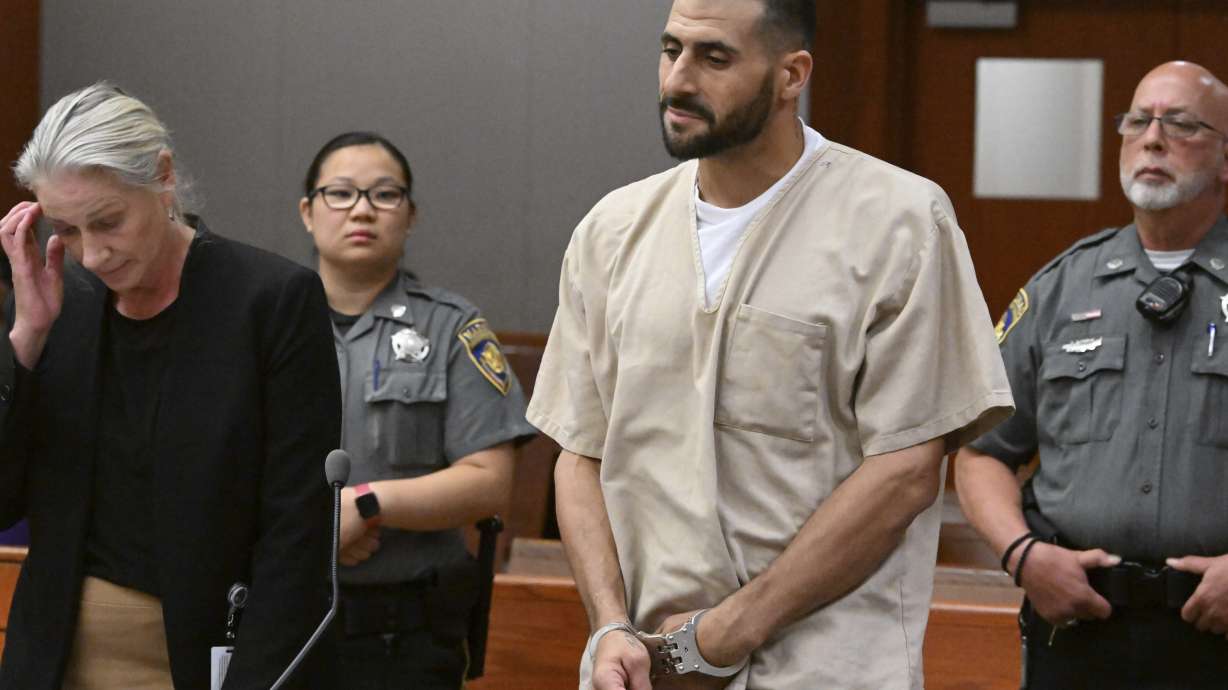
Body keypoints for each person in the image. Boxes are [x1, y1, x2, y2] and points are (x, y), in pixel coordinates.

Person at [526, 1, 1013, 688]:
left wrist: (726, 633)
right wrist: (608, 625)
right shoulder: (611, 231)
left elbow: (905, 469)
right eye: (671, 50)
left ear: (792, 76)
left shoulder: (898, 221)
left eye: (714, 57)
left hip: (822, 666)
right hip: (641, 669)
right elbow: (580, 454)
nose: (678, 79)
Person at [0, 83, 340, 690]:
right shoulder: (57, 303)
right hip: (51, 656)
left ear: (162, 178)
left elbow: (297, 533)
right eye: (68, 230)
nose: (94, 255)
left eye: (108, 221)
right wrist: (25, 338)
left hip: (206, 653)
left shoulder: (268, 301)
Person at [955, 60, 1228, 689]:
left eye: (1181, 124)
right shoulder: (1060, 289)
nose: (1153, 138)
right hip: (1079, 629)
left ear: (1223, 157)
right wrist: (1023, 557)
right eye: (1138, 121)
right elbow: (980, 452)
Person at [297, 131, 536, 689]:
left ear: (411, 215)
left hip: (405, 633)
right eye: (340, 193)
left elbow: (489, 483)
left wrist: (367, 506)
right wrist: (316, 529)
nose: (362, 209)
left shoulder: (452, 328)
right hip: (284, 617)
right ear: (308, 212)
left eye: (384, 195)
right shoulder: (264, 324)